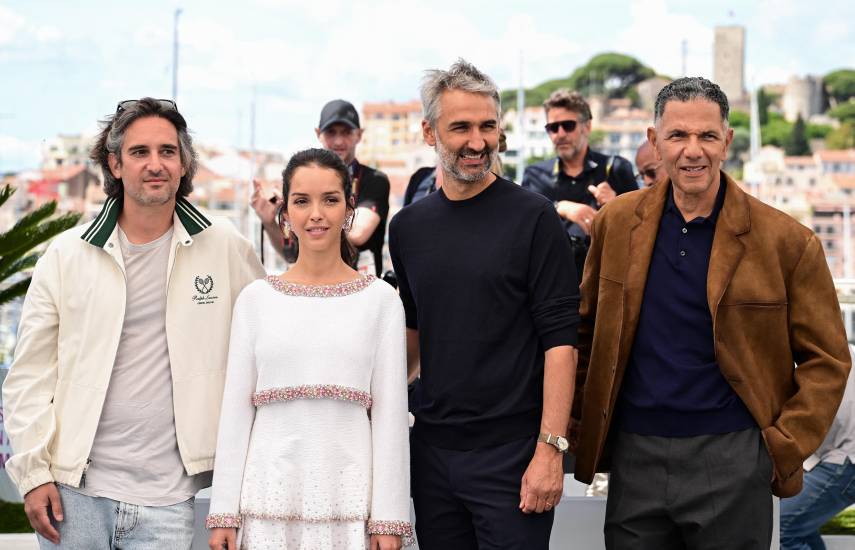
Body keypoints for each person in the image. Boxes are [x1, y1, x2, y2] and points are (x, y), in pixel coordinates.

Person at [572, 77, 851, 549]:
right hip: (634, 457)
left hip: (734, 458)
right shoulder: (616, 224)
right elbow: (585, 331)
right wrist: (578, 427)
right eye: (678, 135)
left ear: (727, 141)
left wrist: (780, 447)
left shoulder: (787, 241)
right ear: (655, 142)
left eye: (706, 135)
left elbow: (829, 359)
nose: (693, 150)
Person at [2, 97, 265, 548]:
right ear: (115, 164)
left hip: (170, 499)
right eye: (140, 152)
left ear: (184, 164)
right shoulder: (66, 256)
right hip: (72, 495)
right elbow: (29, 376)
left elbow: (266, 343)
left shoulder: (224, 245)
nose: (155, 164)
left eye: (168, 151)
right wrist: (33, 475)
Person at [389, 59, 579, 550]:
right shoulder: (407, 228)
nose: (477, 142)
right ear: (429, 132)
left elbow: (561, 344)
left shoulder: (535, 218)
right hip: (432, 456)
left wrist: (550, 451)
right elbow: (414, 335)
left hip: (514, 458)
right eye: (461, 128)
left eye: (487, 126)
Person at [206, 148, 412, 550]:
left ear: (349, 209)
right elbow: (234, 413)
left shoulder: (381, 301)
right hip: (265, 509)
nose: (316, 214)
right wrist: (224, 512)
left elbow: (390, 419)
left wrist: (389, 519)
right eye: (302, 201)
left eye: (330, 200)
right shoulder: (255, 300)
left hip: (351, 511)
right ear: (285, 213)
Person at [253, 100, 390, 276]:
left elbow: (358, 233)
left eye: (346, 132)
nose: (338, 141)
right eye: (331, 132)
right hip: (310, 285)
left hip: (361, 284)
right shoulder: (301, 179)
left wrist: (300, 221)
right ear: (318, 134)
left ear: (359, 135)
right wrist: (270, 221)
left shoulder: (375, 180)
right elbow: (292, 254)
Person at [522, 89, 638, 277]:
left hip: (605, 280)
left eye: (568, 125)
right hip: (551, 281)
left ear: (587, 127)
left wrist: (616, 205)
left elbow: (641, 230)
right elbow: (523, 226)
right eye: (552, 128)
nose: (560, 134)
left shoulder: (616, 169)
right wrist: (559, 207)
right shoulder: (534, 174)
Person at [780, 345, 855, 550]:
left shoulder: (810, 358)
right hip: (839, 456)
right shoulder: (838, 351)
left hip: (845, 459)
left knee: (782, 531)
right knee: (800, 527)